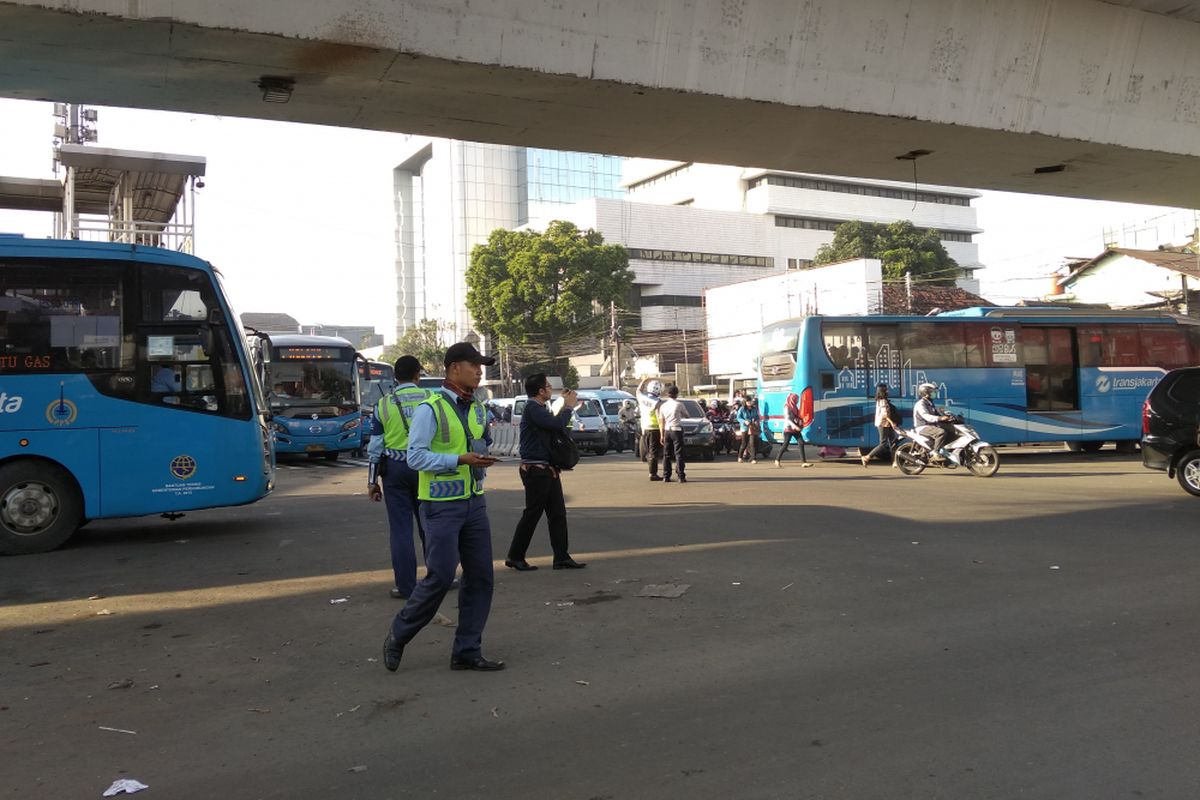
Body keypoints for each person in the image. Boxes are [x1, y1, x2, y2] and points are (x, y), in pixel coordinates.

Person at [382, 342, 504, 673]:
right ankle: (399, 633)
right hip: (440, 505)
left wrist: (480, 457)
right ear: (453, 369)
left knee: (481, 577)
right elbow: (415, 456)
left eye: (482, 365)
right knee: (441, 575)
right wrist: (458, 459)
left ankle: (467, 650)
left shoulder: (478, 408)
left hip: (474, 502)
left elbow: (479, 442)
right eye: (474, 365)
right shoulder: (429, 408)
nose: (480, 370)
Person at [504, 374, 587, 572]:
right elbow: (555, 425)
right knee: (532, 513)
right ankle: (515, 556)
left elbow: (555, 428)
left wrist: (565, 406)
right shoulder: (533, 408)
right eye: (548, 387)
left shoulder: (541, 408)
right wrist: (568, 407)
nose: (551, 389)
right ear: (541, 391)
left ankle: (561, 557)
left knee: (557, 513)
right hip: (536, 471)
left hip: (548, 469)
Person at [367, 355, 431, 600]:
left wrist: (372, 482)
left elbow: (375, 448)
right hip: (426, 468)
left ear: (395, 377)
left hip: (394, 469)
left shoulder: (382, 405)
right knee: (431, 524)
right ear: (418, 375)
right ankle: (439, 577)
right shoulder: (432, 399)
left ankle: (406, 586)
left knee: (401, 529)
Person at [861, 383, 900, 467]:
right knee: (883, 443)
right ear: (883, 391)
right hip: (883, 424)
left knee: (893, 442)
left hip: (886, 424)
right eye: (886, 390)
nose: (888, 391)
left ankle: (895, 462)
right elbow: (884, 415)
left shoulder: (881, 400)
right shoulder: (882, 401)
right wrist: (892, 422)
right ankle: (867, 457)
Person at [913, 382, 954, 460]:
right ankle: (935, 452)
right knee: (941, 432)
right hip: (922, 427)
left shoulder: (930, 403)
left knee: (950, 429)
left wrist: (948, 417)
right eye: (933, 392)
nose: (935, 393)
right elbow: (926, 416)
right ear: (926, 393)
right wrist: (940, 418)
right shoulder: (920, 404)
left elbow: (937, 413)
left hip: (930, 426)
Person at [774, 392, 813, 468]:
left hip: (795, 429)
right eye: (796, 399)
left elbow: (798, 416)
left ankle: (804, 462)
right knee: (785, 445)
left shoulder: (795, 407)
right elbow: (787, 419)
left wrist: (801, 423)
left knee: (801, 443)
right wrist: (795, 426)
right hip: (788, 429)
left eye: (797, 399)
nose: (797, 401)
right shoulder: (787, 407)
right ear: (792, 399)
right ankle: (777, 460)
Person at [658, 385, 687, 483]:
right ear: (677, 394)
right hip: (676, 429)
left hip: (667, 430)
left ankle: (666, 476)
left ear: (667, 394)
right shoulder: (679, 404)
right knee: (679, 453)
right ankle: (681, 476)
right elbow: (687, 415)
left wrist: (661, 435)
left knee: (667, 454)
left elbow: (661, 421)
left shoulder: (663, 406)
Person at [637, 379, 665, 480]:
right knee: (654, 452)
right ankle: (653, 473)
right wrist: (662, 432)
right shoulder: (657, 402)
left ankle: (652, 472)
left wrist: (644, 381)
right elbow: (659, 417)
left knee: (649, 451)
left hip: (644, 428)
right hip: (655, 428)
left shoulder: (642, 398)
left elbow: (638, 391)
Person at [736, 396, 761, 463]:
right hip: (744, 428)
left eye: (750, 401)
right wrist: (744, 421)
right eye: (748, 401)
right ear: (745, 402)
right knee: (744, 443)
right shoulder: (742, 409)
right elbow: (738, 418)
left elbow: (757, 417)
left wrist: (755, 420)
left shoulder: (754, 409)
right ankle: (740, 457)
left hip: (752, 428)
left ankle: (753, 459)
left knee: (752, 443)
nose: (749, 402)